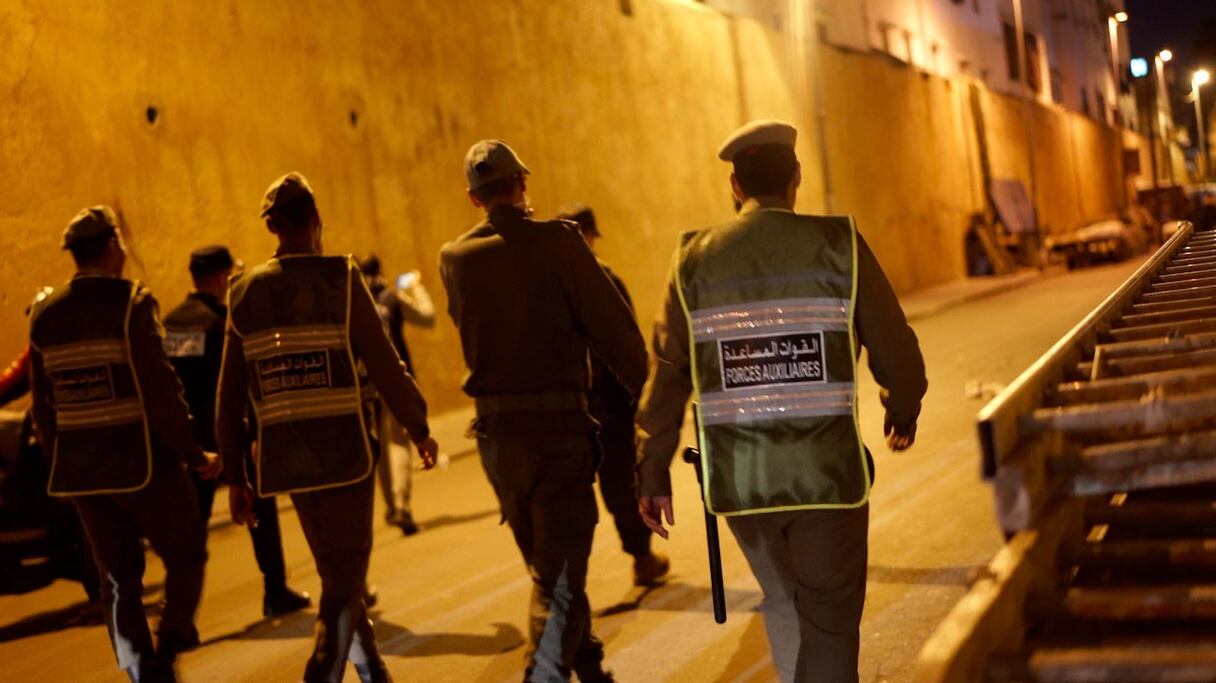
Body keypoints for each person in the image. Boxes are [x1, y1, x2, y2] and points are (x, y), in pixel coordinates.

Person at [635, 121, 928, 683]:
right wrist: (902, 409)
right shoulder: (837, 244)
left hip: (741, 483)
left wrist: (651, 470)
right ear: (796, 179)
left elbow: (668, 375)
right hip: (826, 479)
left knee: (782, 600)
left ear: (735, 186)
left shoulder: (691, 261)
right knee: (829, 621)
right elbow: (896, 349)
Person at [216, 172, 439, 683]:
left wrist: (235, 475)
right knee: (345, 575)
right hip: (345, 453)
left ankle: (373, 671)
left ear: (273, 227)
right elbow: (384, 362)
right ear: (317, 220)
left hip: (286, 460)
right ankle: (322, 673)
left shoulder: (244, 291)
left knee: (335, 573)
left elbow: (228, 394)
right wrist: (419, 425)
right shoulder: (341, 278)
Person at [440, 140, 648, 682]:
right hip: (558, 435)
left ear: (473, 198)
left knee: (551, 567)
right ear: (523, 185)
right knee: (556, 581)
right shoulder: (560, 244)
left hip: (496, 444)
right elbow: (616, 332)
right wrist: (649, 402)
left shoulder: (454, 260)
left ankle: (590, 668)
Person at [28, 206, 221, 681]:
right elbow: (160, 388)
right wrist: (193, 452)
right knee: (187, 549)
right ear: (113, 246)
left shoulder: (44, 315)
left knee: (115, 578)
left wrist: (61, 461)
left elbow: (42, 405)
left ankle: (137, 666)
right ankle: (171, 640)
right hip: (142, 466)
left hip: (81, 474)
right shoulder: (131, 303)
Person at [162, 245, 311, 616]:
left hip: (192, 439)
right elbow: (240, 387)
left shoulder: (173, 323)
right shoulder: (223, 322)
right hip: (230, 433)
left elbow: (171, 383)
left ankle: (181, 616)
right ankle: (275, 591)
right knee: (260, 514)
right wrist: (258, 434)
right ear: (219, 278)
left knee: (189, 533)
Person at [554, 203, 669, 586]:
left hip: (571, 401)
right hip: (610, 400)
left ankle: (568, 581)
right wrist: (642, 393)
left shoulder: (549, 285)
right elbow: (626, 339)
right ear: (588, 235)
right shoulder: (604, 276)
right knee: (620, 479)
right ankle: (641, 556)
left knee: (581, 489)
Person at [357, 254, 436, 535]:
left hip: (364, 385)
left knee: (378, 443)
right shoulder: (391, 298)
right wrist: (416, 288)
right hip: (395, 378)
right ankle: (402, 504)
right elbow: (427, 318)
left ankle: (391, 507)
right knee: (400, 441)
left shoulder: (354, 302)